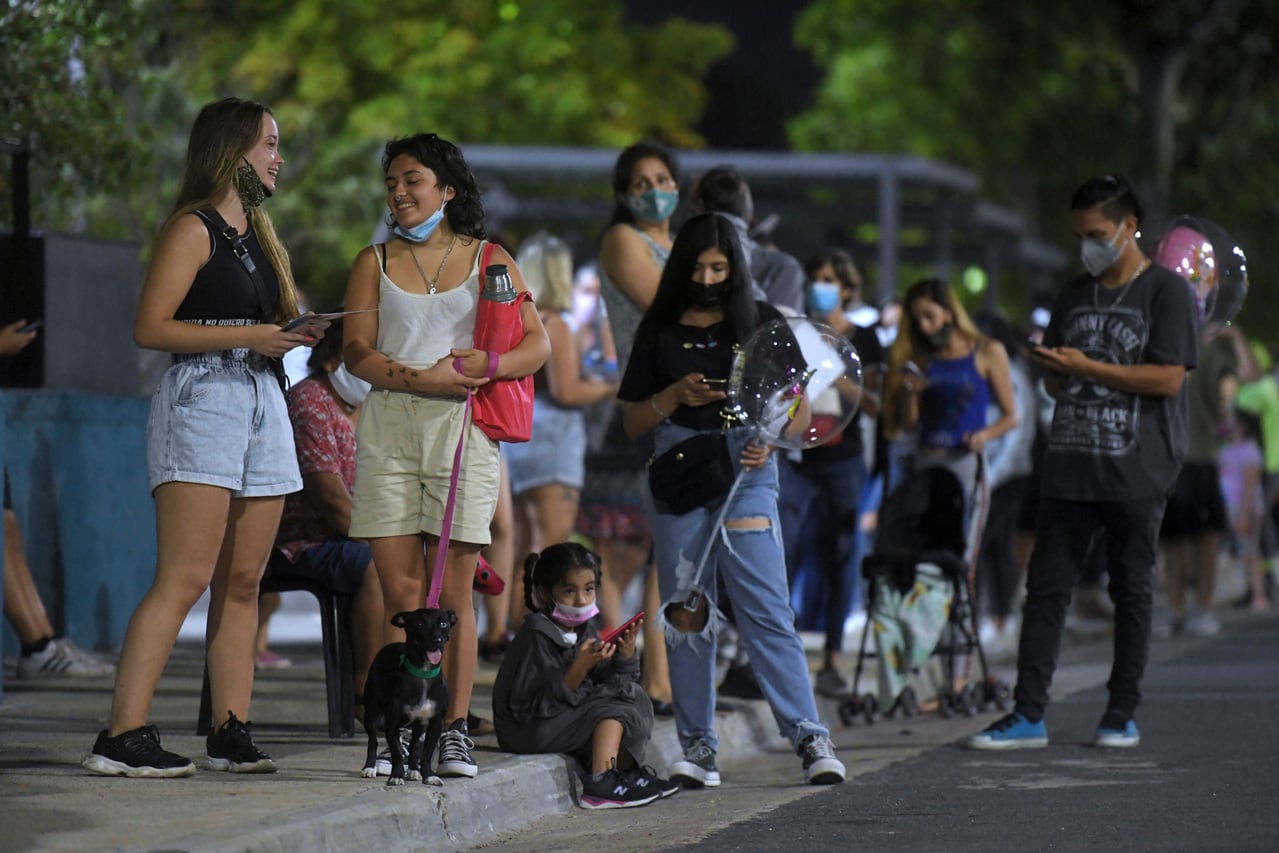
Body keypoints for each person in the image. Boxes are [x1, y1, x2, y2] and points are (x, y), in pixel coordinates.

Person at [84, 97, 315, 778]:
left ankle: (230, 729)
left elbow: (257, 324)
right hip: (204, 397)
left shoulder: (259, 236)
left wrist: (293, 334)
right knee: (185, 574)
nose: (278, 158)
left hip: (259, 397)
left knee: (244, 580)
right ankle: (121, 733)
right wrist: (251, 335)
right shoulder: (194, 228)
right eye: (269, 144)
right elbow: (150, 328)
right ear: (233, 149)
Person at [342, 132, 550, 779]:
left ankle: (454, 728)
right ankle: (397, 731)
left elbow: (536, 344)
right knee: (399, 587)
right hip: (389, 428)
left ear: (447, 189)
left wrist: (491, 363)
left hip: (464, 429)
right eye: (392, 184)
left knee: (453, 590)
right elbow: (355, 351)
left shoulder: (491, 258)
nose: (399, 193)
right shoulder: (371, 260)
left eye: (413, 180)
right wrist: (417, 378)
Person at [967, 174, 1198, 750]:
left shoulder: (1166, 293)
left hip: (1136, 469)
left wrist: (1089, 368)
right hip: (1069, 465)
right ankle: (1027, 714)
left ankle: (1121, 713)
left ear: (1129, 228)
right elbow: (1055, 382)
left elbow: (1168, 378)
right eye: (1079, 236)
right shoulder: (1075, 292)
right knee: (1045, 591)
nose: (1087, 247)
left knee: (1131, 590)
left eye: (1096, 234)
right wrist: (1055, 368)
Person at [617, 212, 846, 786]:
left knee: (767, 607)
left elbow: (800, 415)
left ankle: (811, 737)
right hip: (677, 471)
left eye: (720, 267)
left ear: (736, 268)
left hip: (748, 469)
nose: (708, 278)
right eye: (697, 266)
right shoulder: (660, 327)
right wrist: (674, 394)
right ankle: (698, 748)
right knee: (687, 614)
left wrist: (769, 439)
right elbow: (633, 420)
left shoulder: (762, 323)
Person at [581, 141, 680, 711]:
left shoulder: (683, 244)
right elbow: (664, 303)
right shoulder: (623, 240)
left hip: (684, 407)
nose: (652, 190)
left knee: (666, 554)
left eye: (663, 178)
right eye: (640, 182)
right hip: (644, 406)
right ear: (623, 194)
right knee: (634, 553)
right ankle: (642, 675)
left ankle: (657, 677)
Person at [491, 542, 677, 809]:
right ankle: (601, 783)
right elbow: (529, 709)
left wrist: (624, 656)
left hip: (557, 719)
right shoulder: (536, 635)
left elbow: (611, 683)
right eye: (569, 591)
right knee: (611, 704)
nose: (581, 600)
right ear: (544, 593)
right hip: (526, 730)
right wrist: (578, 668)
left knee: (631, 695)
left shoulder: (583, 628)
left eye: (588, 590)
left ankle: (624, 770)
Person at [779, 269, 885, 697]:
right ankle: (780, 659)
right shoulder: (797, 332)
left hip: (843, 459)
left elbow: (875, 403)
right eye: (815, 276)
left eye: (829, 278)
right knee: (785, 548)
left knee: (841, 554)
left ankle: (834, 659)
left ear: (846, 287)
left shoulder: (866, 337)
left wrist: (832, 370)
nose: (819, 286)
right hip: (799, 459)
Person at [503, 234, 617, 619]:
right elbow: (567, 389)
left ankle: (504, 630)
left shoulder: (516, 321)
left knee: (517, 542)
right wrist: (606, 387)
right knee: (549, 545)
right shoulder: (557, 324)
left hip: (518, 434)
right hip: (554, 440)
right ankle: (536, 631)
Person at [271, 316, 382, 704]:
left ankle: (434, 697)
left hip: (349, 535)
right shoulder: (310, 401)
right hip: (301, 541)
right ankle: (370, 693)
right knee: (382, 562)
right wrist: (385, 541)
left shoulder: (365, 407)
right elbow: (329, 497)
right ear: (333, 361)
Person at [882, 277, 1018, 566]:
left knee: (960, 553)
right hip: (927, 462)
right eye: (917, 319)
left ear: (950, 311)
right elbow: (908, 424)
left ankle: (960, 607)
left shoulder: (986, 351)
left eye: (929, 316)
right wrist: (909, 393)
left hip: (965, 463)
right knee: (922, 549)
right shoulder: (922, 358)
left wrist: (985, 435)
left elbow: (1012, 416)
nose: (924, 326)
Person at [690, 165, 805, 313]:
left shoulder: (677, 256)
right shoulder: (784, 267)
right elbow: (787, 331)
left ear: (699, 205)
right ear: (747, 208)